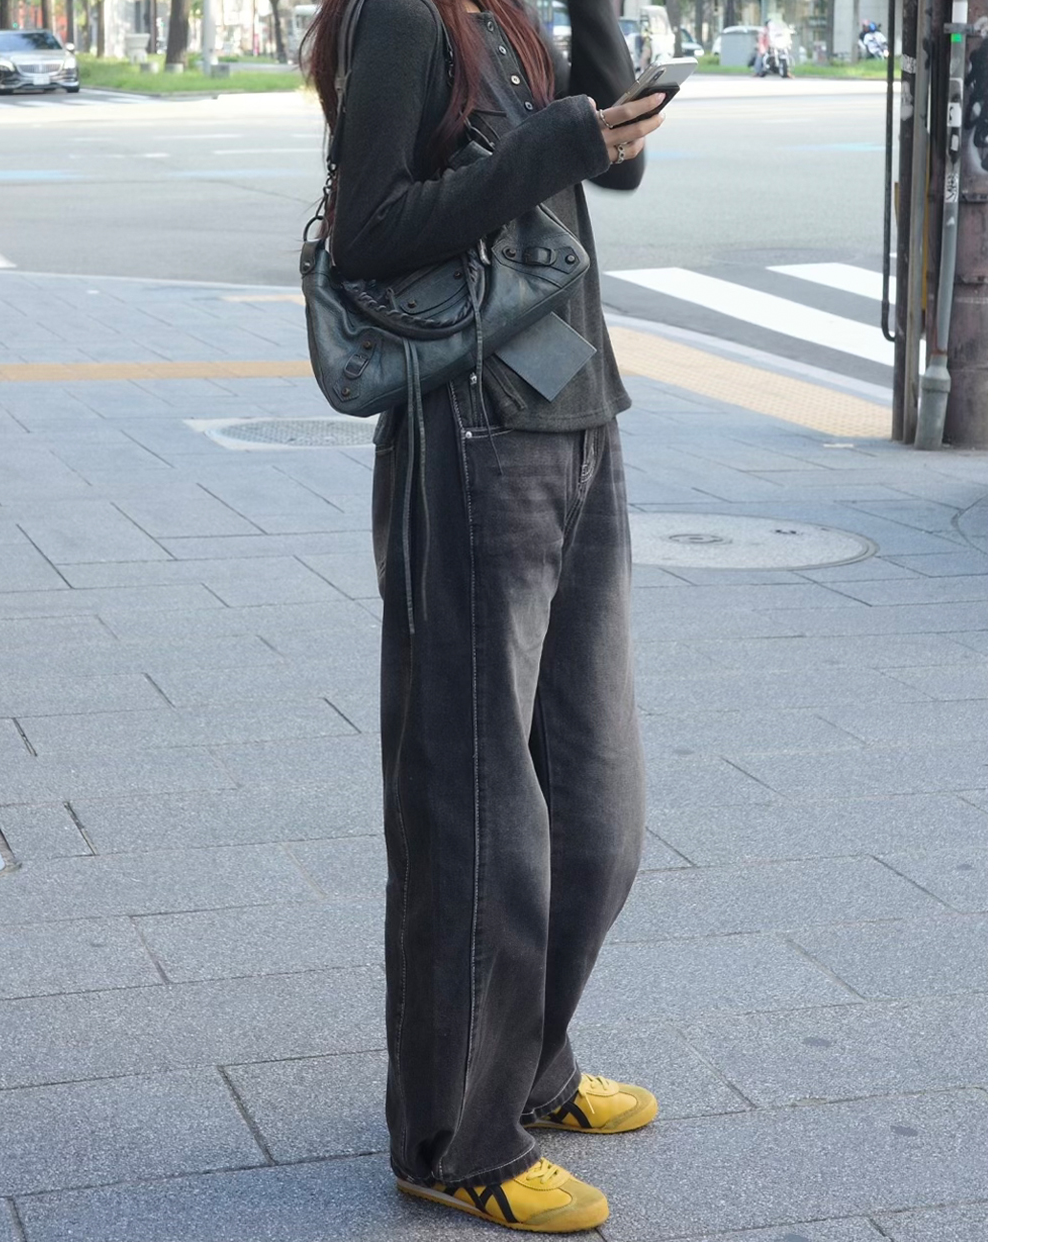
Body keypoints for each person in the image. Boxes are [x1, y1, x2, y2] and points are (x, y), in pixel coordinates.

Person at [303, 0, 663, 1231]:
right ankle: (452, 1138)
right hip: (475, 431)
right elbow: (369, 234)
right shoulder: (407, 17)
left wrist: (594, 34)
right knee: (478, 807)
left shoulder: (508, 15)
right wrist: (555, 141)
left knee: (597, 806)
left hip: (578, 416)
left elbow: (618, 169)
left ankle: (534, 1066)